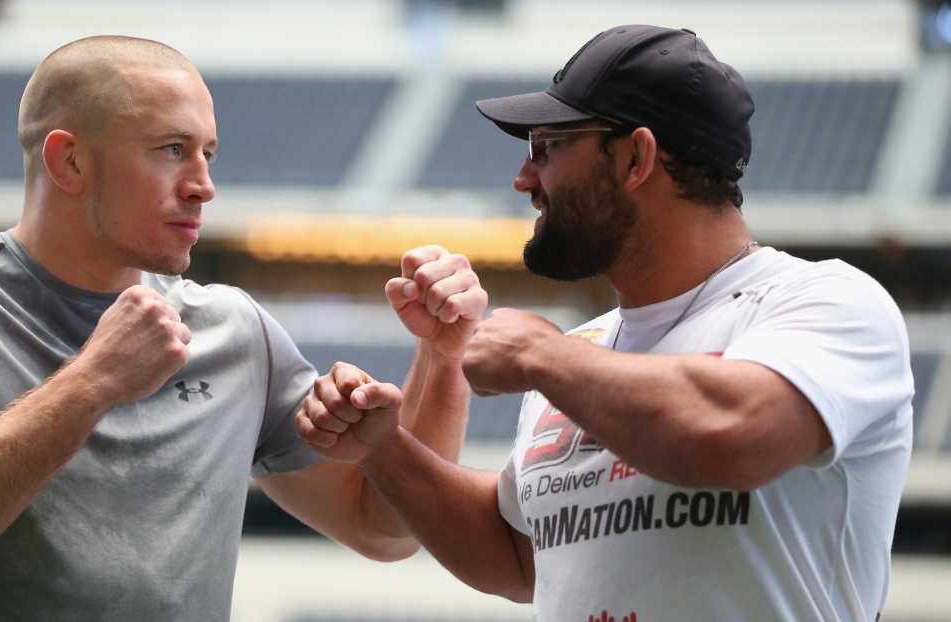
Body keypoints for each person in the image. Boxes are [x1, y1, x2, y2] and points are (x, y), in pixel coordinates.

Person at [0, 36, 487, 621]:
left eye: (208, 153)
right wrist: (95, 379)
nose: (205, 186)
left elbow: (385, 527)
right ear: (68, 163)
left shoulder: (236, 330)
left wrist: (442, 355)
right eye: (172, 149)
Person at [297, 24, 914, 621]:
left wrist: (543, 355)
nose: (524, 179)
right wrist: (384, 449)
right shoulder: (584, 351)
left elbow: (732, 435)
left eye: (547, 147)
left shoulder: (825, 300)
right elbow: (519, 557)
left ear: (636, 157)